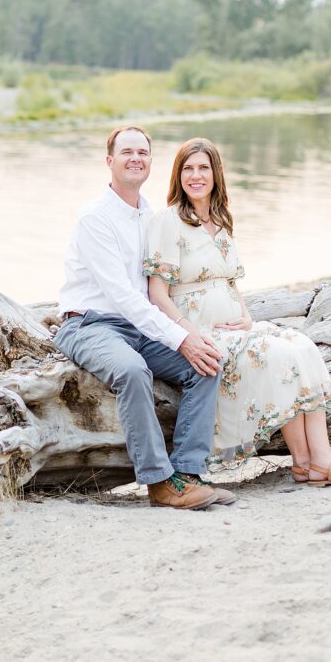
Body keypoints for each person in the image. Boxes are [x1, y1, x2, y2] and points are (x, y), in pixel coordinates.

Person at [144, 137, 331, 486]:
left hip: (235, 326)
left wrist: (247, 316)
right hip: (199, 331)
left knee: (302, 346)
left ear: (216, 173)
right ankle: (320, 460)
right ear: (178, 176)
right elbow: (156, 292)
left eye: (203, 167)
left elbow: (230, 284)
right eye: (188, 169)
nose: (196, 175)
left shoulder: (221, 221)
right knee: (280, 355)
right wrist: (188, 332)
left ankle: (308, 463)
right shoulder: (169, 221)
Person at [54, 125, 236, 510]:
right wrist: (179, 337)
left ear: (151, 162)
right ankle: (159, 484)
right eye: (126, 152)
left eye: (142, 153)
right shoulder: (95, 218)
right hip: (89, 323)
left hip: (137, 324)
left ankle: (187, 473)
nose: (135, 158)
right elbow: (121, 297)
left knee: (206, 363)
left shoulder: (149, 215)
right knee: (133, 371)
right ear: (110, 161)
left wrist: (196, 331)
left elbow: (157, 287)